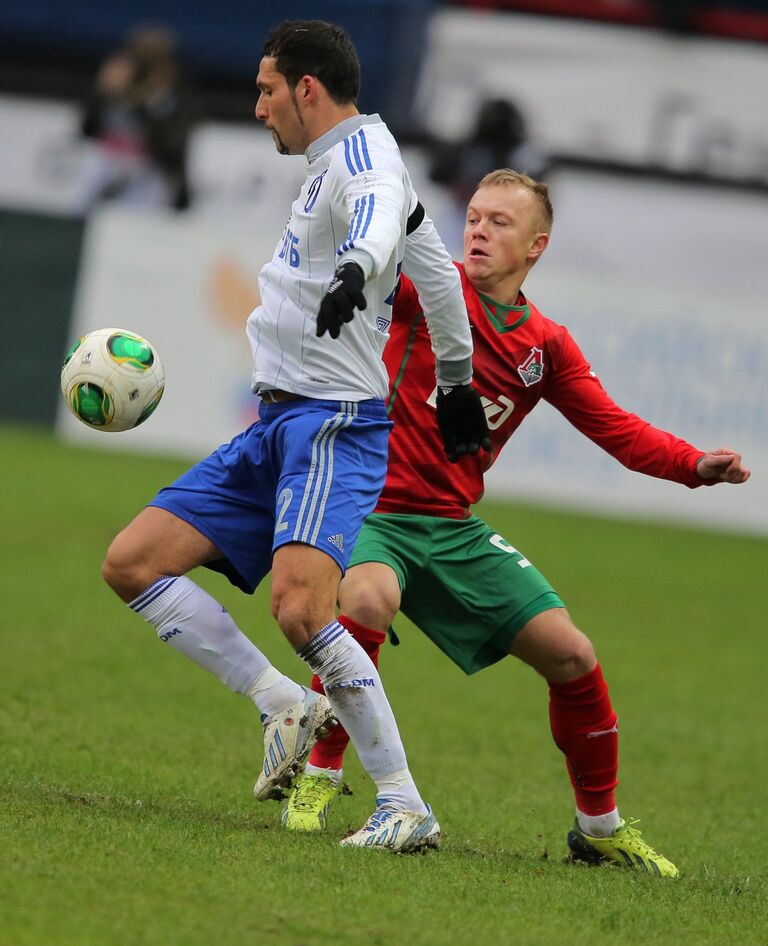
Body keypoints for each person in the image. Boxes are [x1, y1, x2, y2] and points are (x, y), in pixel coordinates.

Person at [282, 169, 750, 873]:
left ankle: (598, 828)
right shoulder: (423, 292)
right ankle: (318, 776)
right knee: (369, 598)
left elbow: (617, 430)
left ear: (537, 245)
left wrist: (693, 465)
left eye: (499, 222)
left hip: (453, 528)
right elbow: (369, 256)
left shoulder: (544, 346)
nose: (477, 230)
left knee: (572, 654)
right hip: (373, 509)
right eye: (472, 216)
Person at [100, 20, 490, 854]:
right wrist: (455, 377)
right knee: (133, 563)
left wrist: (354, 267)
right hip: (278, 420)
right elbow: (435, 275)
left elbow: (382, 219)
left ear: (307, 90)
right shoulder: (346, 160)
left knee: (304, 609)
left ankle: (403, 803)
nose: (259, 108)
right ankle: (283, 702)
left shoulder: (363, 165)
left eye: (268, 90)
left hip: (331, 423)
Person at [80, 25, 195, 211]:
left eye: (155, 60)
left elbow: (172, 147)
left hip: (147, 180)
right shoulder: (116, 87)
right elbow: (86, 130)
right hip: (104, 168)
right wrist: (101, 93)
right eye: (142, 59)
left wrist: (146, 104)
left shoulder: (174, 96)